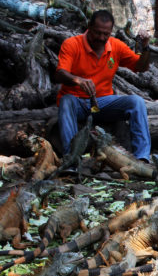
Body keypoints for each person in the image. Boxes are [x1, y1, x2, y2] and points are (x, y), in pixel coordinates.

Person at [55, 10, 152, 162]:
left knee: (137, 102)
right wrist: (78, 80)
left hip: (103, 102)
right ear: (89, 27)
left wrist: (145, 47)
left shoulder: (116, 46)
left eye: (105, 34)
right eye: (97, 33)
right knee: (66, 101)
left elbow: (141, 67)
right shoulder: (72, 44)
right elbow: (60, 73)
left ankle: (142, 158)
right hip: (77, 102)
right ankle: (71, 158)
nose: (101, 38)